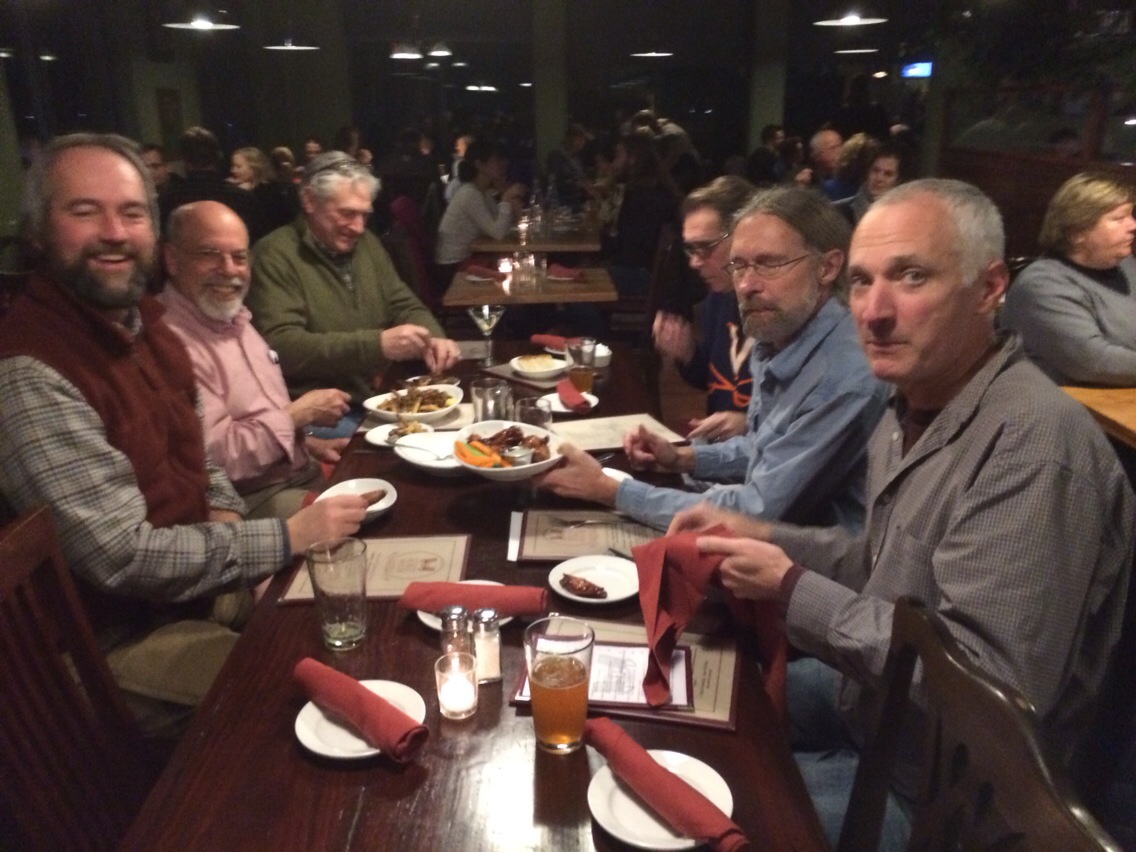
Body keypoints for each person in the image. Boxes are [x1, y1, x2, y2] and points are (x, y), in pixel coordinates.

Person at [672, 178, 1135, 848]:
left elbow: (984, 690)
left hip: (946, 798)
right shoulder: (911, 402)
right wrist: (763, 533)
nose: (875, 311)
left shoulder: (1036, 447)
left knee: (695, 819)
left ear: (989, 287)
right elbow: (881, 561)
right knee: (688, 698)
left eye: (912, 276)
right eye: (862, 282)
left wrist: (790, 587)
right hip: (875, 708)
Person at [0, 134, 369, 733]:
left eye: (131, 213)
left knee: (350, 595)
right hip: (107, 639)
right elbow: (121, 558)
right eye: (85, 211)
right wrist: (280, 541)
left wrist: (230, 523)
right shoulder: (31, 370)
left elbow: (202, 458)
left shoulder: (148, 329)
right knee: (314, 696)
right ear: (39, 231)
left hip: (180, 592)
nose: (114, 232)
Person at [538, 186, 889, 532]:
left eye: (769, 263)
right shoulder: (779, 336)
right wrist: (684, 458)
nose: (746, 285)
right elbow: (765, 448)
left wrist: (610, 490)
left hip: (805, 555)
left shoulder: (843, 377)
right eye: (739, 265)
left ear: (827, 267)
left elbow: (757, 510)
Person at [157, 201, 351, 518]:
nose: (229, 269)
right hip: (249, 502)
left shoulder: (232, 316)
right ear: (172, 259)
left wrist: (307, 443)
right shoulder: (169, 343)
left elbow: (256, 414)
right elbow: (216, 461)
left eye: (239, 257)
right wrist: (296, 416)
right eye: (209, 254)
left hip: (298, 471)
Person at [248, 150, 460, 436]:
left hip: (374, 396)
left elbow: (402, 303)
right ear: (309, 200)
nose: (359, 227)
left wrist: (432, 337)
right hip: (320, 414)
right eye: (347, 213)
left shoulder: (367, 244)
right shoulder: (274, 255)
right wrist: (377, 346)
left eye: (364, 215)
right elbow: (281, 347)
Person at [1002, 172, 1136, 386]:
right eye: (1119, 218)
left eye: (1131, 215)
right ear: (1077, 232)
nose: (1132, 226)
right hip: (1063, 402)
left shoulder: (1126, 266)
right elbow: (1094, 361)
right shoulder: (1042, 285)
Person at [652, 176, 758, 440]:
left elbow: (799, 423)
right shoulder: (718, 299)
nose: (694, 262)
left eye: (705, 248)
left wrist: (749, 423)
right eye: (691, 249)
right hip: (720, 451)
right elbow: (714, 382)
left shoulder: (777, 312)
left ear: (745, 237)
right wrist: (687, 353)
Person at [160, 126, 267, 242]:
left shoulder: (169, 198)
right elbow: (257, 241)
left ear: (184, 159)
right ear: (217, 157)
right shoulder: (243, 198)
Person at [434, 139, 526, 274]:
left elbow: (501, 227)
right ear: (480, 165)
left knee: (517, 263)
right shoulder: (469, 193)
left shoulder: (483, 192)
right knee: (517, 267)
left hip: (468, 258)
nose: (504, 164)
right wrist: (506, 198)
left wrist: (511, 202)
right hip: (453, 267)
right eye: (497, 160)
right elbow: (498, 234)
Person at [835, 142, 906, 225]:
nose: (879, 178)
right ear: (867, 172)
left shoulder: (904, 216)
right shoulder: (838, 212)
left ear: (898, 180)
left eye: (888, 174)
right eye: (875, 171)